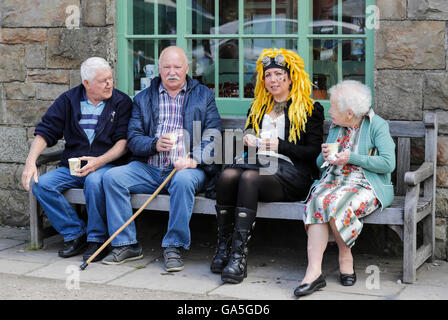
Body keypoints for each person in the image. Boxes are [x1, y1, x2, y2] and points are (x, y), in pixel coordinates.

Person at [101, 46, 221, 271]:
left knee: (183, 182)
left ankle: (174, 246)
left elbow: (214, 134)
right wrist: (154, 144)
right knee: (112, 177)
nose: (172, 72)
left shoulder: (204, 95)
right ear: (159, 69)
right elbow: (133, 137)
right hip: (150, 168)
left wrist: (193, 159)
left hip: (186, 169)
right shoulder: (143, 98)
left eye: (177, 67)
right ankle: (126, 244)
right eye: (167, 67)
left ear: (187, 69)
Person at [211, 48, 325, 284]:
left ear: (291, 77)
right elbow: (250, 140)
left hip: (291, 174)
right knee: (228, 175)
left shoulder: (310, 109)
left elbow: (313, 153)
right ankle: (224, 246)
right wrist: (247, 139)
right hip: (257, 166)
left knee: (248, 178)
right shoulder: (258, 107)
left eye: (277, 74)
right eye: (268, 75)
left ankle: (238, 257)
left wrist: (280, 146)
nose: (272, 80)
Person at [21, 57, 133, 262]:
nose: (109, 84)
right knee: (41, 184)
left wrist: (99, 161)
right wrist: (30, 161)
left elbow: (123, 143)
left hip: (106, 166)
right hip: (73, 166)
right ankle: (76, 233)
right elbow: (46, 131)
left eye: (110, 78)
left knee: (93, 180)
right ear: (87, 83)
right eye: (103, 81)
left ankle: (97, 239)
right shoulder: (68, 100)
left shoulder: (121, 102)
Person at [294, 80, 396, 297]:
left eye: (332, 107)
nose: (329, 111)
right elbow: (320, 162)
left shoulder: (377, 125)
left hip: (366, 184)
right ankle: (313, 272)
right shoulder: (337, 126)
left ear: (349, 113)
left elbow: (388, 163)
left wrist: (353, 158)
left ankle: (345, 255)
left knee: (335, 203)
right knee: (317, 201)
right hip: (334, 181)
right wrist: (324, 155)